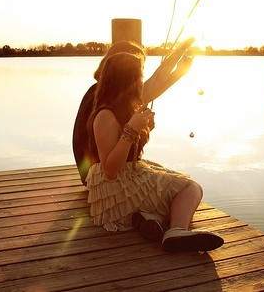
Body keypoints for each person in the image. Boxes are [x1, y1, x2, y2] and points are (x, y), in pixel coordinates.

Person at [85, 52, 224, 252]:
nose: (142, 82)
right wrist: (132, 129)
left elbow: (160, 82)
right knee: (191, 188)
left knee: (172, 185)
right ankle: (176, 231)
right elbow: (110, 169)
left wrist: (145, 128)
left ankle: (147, 219)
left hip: (125, 180)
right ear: (127, 81)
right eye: (139, 77)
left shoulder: (127, 106)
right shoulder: (105, 115)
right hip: (114, 189)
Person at [72, 38, 194, 186]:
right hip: (99, 178)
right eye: (137, 70)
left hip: (101, 172)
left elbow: (150, 89)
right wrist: (180, 50)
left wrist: (180, 71)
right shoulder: (102, 97)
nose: (139, 78)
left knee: (166, 173)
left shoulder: (105, 92)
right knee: (186, 186)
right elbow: (152, 86)